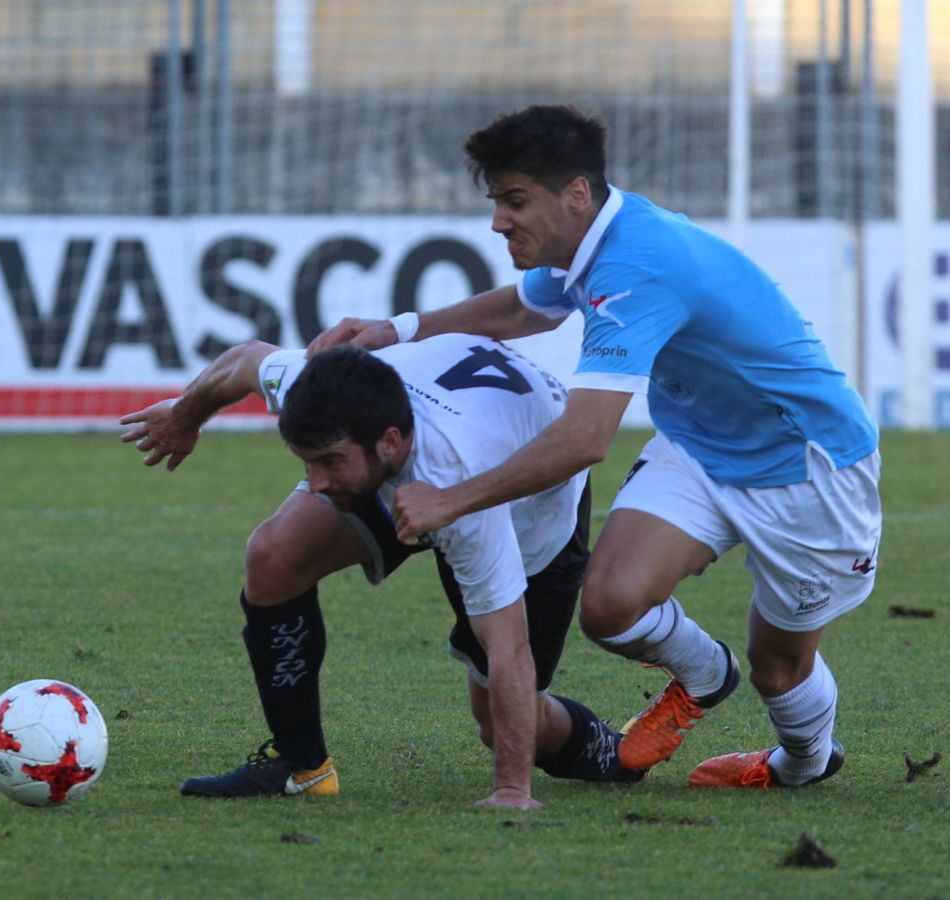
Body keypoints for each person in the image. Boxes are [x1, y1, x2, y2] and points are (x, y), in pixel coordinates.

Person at [309, 104, 882, 790]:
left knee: (778, 666)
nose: (498, 222)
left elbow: (584, 440)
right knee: (610, 606)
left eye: (514, 202)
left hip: (808, 467)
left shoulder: (638, 266)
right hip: (701, 447)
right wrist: (398, 329)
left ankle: (801, 764)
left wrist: (451, 499)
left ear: (574, 193)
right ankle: (703, 674)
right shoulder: (593, 239)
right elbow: (524, 309)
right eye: (496, 202)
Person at [119, 332, 647, 810]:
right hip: (447, 427)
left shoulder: (465, 486)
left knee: (504, 722)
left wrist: (510, 790)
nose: (316, 482)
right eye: (307, 463)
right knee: (273, 554)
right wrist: (185, 416)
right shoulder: (318, 385)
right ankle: (301, 766)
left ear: (390, 443)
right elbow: (242, 360)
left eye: (328, 462)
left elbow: (510, 647)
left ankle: (605, 750)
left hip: (527, 504)